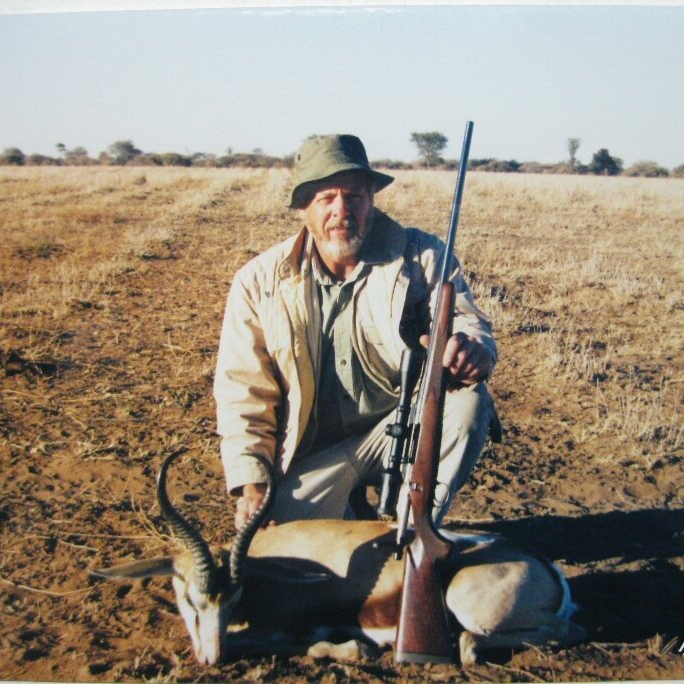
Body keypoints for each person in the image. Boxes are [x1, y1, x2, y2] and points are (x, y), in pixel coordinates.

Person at [213, 133, 498, 529]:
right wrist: (253, 485)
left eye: (354, 197)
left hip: (401, 432)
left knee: (469, 402)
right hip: (314, 455)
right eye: (326, 198)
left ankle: (412, 532)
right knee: (273, 547)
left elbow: (466, 321)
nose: (341, 211)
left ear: (372, 200)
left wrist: (471, 348)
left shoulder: (422, 255)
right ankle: (348, 512)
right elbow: (243, 394)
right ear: (303, 208)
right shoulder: (257, 282)